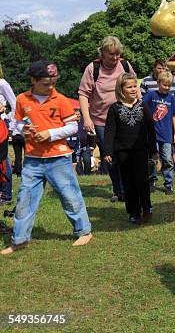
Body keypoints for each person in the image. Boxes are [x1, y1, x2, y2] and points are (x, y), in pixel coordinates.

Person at [1, 60, 92, 255]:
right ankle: (19, 239)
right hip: (32, 160)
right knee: (25, 198)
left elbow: (73, 127)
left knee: (69, 195)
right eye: (45, 83)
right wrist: (22, 130)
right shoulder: (22, 100)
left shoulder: (61, 100)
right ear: (33, 80)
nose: (51, 87)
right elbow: (15, 125)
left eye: (53, 82)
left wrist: (50, 134)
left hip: (58, 159)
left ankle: (84, 231)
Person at [79, 36, 134, 201]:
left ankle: (128, 188)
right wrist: (87, 119)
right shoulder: (93, 68)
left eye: (117, 54)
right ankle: (119, 191)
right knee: (110, 156)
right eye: (111, 54)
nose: (115, 58)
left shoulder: (124, 65)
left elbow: (134, 87)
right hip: (101, 121)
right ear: (102, 53)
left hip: (124, 117)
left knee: (125, 154)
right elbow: (83, 94)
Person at [104, 73, 157, 224]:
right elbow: (110, 131)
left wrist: (153, 150)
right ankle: (133, 212)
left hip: (141, 149)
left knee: (142, 179)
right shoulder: (114, 108)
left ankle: (147, 208)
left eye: (135, 86)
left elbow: (150, 128)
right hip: (122, 151)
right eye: (129, 87)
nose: (133, 89)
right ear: (121, 89)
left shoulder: (143, 105)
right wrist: (108, 150)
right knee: (128, 182)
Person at [142, 71, 175, 195]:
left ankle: (169, 184)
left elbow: (174, 116)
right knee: (152, 159)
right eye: (164, 85)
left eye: (169, 86)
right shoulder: (151, 95)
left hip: (167, 135)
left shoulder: (171, 99)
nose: (167, 88)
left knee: (168, 160)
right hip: (153, 134)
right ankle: (151, 180)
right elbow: (142, 107)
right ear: (158, 83)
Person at [0, 66, 16, 203]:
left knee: (3, 159)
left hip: (1, 123)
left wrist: (11, 124)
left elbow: (14, 103)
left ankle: (6, 194)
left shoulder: (2, 83)